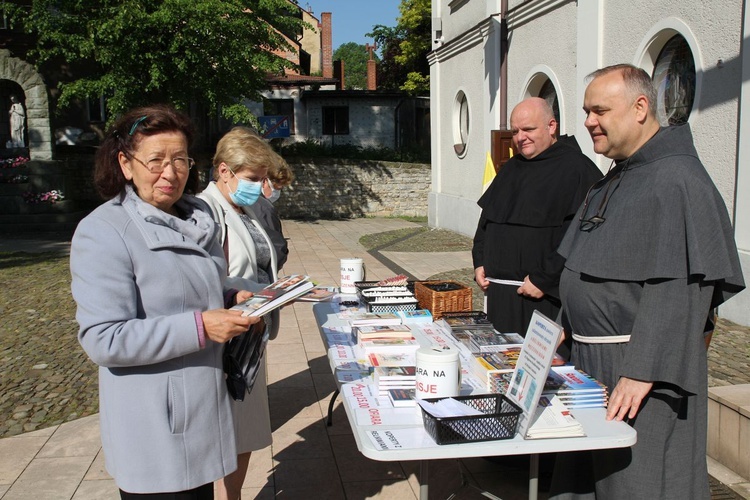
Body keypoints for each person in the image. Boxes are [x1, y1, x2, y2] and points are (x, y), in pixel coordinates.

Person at [550, 64, 745, 499]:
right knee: (587, 482)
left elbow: (682, 289)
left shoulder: (678, 180)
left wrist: (642, 371)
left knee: (638, 483)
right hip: (589, 364)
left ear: (641, 107)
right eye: (585, 111)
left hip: (639, 373)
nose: (587, 121)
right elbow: (582, 269)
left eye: (599, 110)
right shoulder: (616, 177)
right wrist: (560, 331)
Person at [70, 105, 260, 498]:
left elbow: (183, 288)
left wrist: (230, 295)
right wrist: (201, 326)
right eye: (155, 160)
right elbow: (104, 339)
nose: (170, 173)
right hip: (155, 425)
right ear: (125, 163)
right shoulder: (104, 232)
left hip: (203, 409)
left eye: (180, 160)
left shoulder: (196, 219)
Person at [472, 97, 602, 336]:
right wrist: (479, 260)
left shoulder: (577, 169)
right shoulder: (511, 167)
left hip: (543, 298)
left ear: (551, 126)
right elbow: (487, 221)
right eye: (515, 131)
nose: (520, 137)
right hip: (500, 296)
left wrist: (545, 279)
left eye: (528, 129)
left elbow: (579, 236)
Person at [198, 127, 279, 500]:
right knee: (222, 431)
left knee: (244, 430)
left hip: (251, 331)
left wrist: (279, 290)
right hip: (225, 337)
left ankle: (234, 496)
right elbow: (205, 277)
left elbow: (260, 260)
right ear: (225, 171)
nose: (260, 185)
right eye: (253, 178)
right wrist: (265, 294)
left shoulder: (241, 207)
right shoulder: (204, 211)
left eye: (263, 178)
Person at [251, 154, 294, 271]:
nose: (277, 193)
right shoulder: (263, 207)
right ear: (265, 181)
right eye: (277, 188)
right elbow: (277, 249)